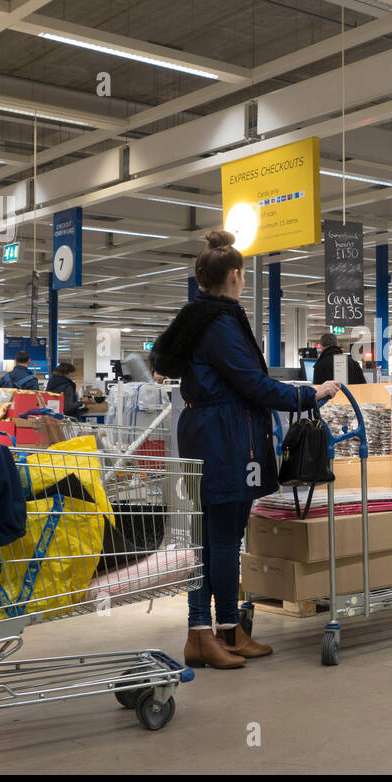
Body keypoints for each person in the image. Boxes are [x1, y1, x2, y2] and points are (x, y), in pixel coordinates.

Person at [152, 231, 340, 669]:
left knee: (217, 536)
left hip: (210, 431)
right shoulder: (221, 323)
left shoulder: (199, 317)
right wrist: (308, 395)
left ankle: (227, 630)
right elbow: (252, 384)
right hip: (226, 436)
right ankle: (202, 633)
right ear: (236, 276)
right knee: (219, 539)